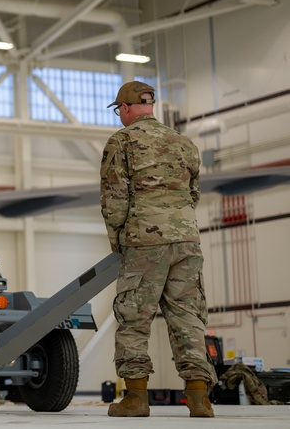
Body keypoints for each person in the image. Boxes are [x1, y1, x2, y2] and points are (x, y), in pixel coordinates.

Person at [101, 81, 216, 418]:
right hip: (186, 240)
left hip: (144, 241)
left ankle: (136, 398)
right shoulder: (184, 143)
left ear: (123, 108)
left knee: (134, 317)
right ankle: (199, 398)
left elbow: (114, 199)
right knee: (187, 315)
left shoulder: (121, 141)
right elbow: (194, 193)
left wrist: (119, 241)